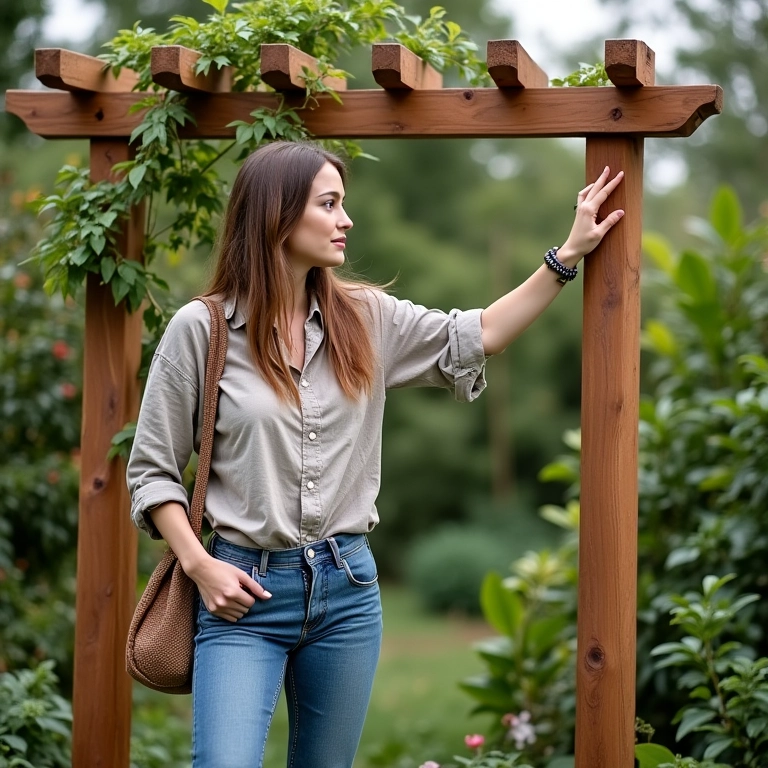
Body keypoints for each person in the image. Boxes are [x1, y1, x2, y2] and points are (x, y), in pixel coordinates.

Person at [126, 140, 624, 768]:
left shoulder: (366, 317)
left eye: (343, 203)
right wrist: (200, 566)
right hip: (241, 592)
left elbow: (478, 334)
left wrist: (566, 255)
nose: (346, 219)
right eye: (329, 204)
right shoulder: (200, 331)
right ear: (277, 215)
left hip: (347, 592)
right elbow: (153, 471)